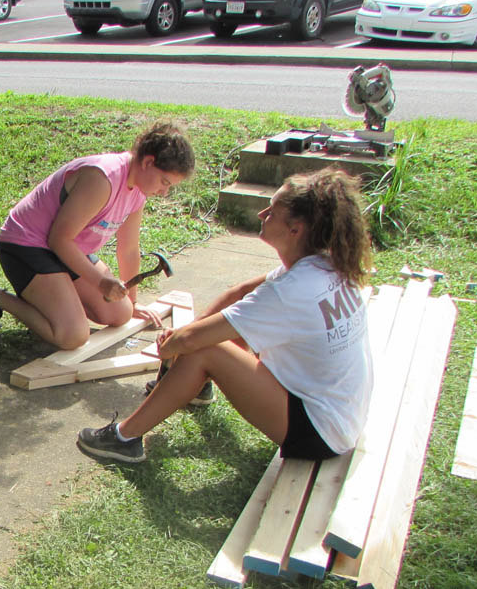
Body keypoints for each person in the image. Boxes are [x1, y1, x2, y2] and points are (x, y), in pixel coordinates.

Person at [76, 167, 374, 465]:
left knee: (203, 348)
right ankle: (195, 383)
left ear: (295, 229)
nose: (262, 214)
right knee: (204, 339)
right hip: (338, 416)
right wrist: (183, 344)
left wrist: (171, 347)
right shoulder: (322, 266)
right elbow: (240, 293)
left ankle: (123, 439)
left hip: (318, 433)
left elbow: (192, 340)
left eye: (272, 212)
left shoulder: (291, 291)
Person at [0, 120, 195, 351]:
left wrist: (133, 301)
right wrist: (100, 282)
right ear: (148, 162)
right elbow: (58, 240)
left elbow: (128, 249)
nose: (164, 192)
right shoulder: (103, 179)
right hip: (27, 245)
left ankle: (56, 301)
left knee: (122, 312)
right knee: (73, 335)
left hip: (68, 250)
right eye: (164, 182)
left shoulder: (138, 191)